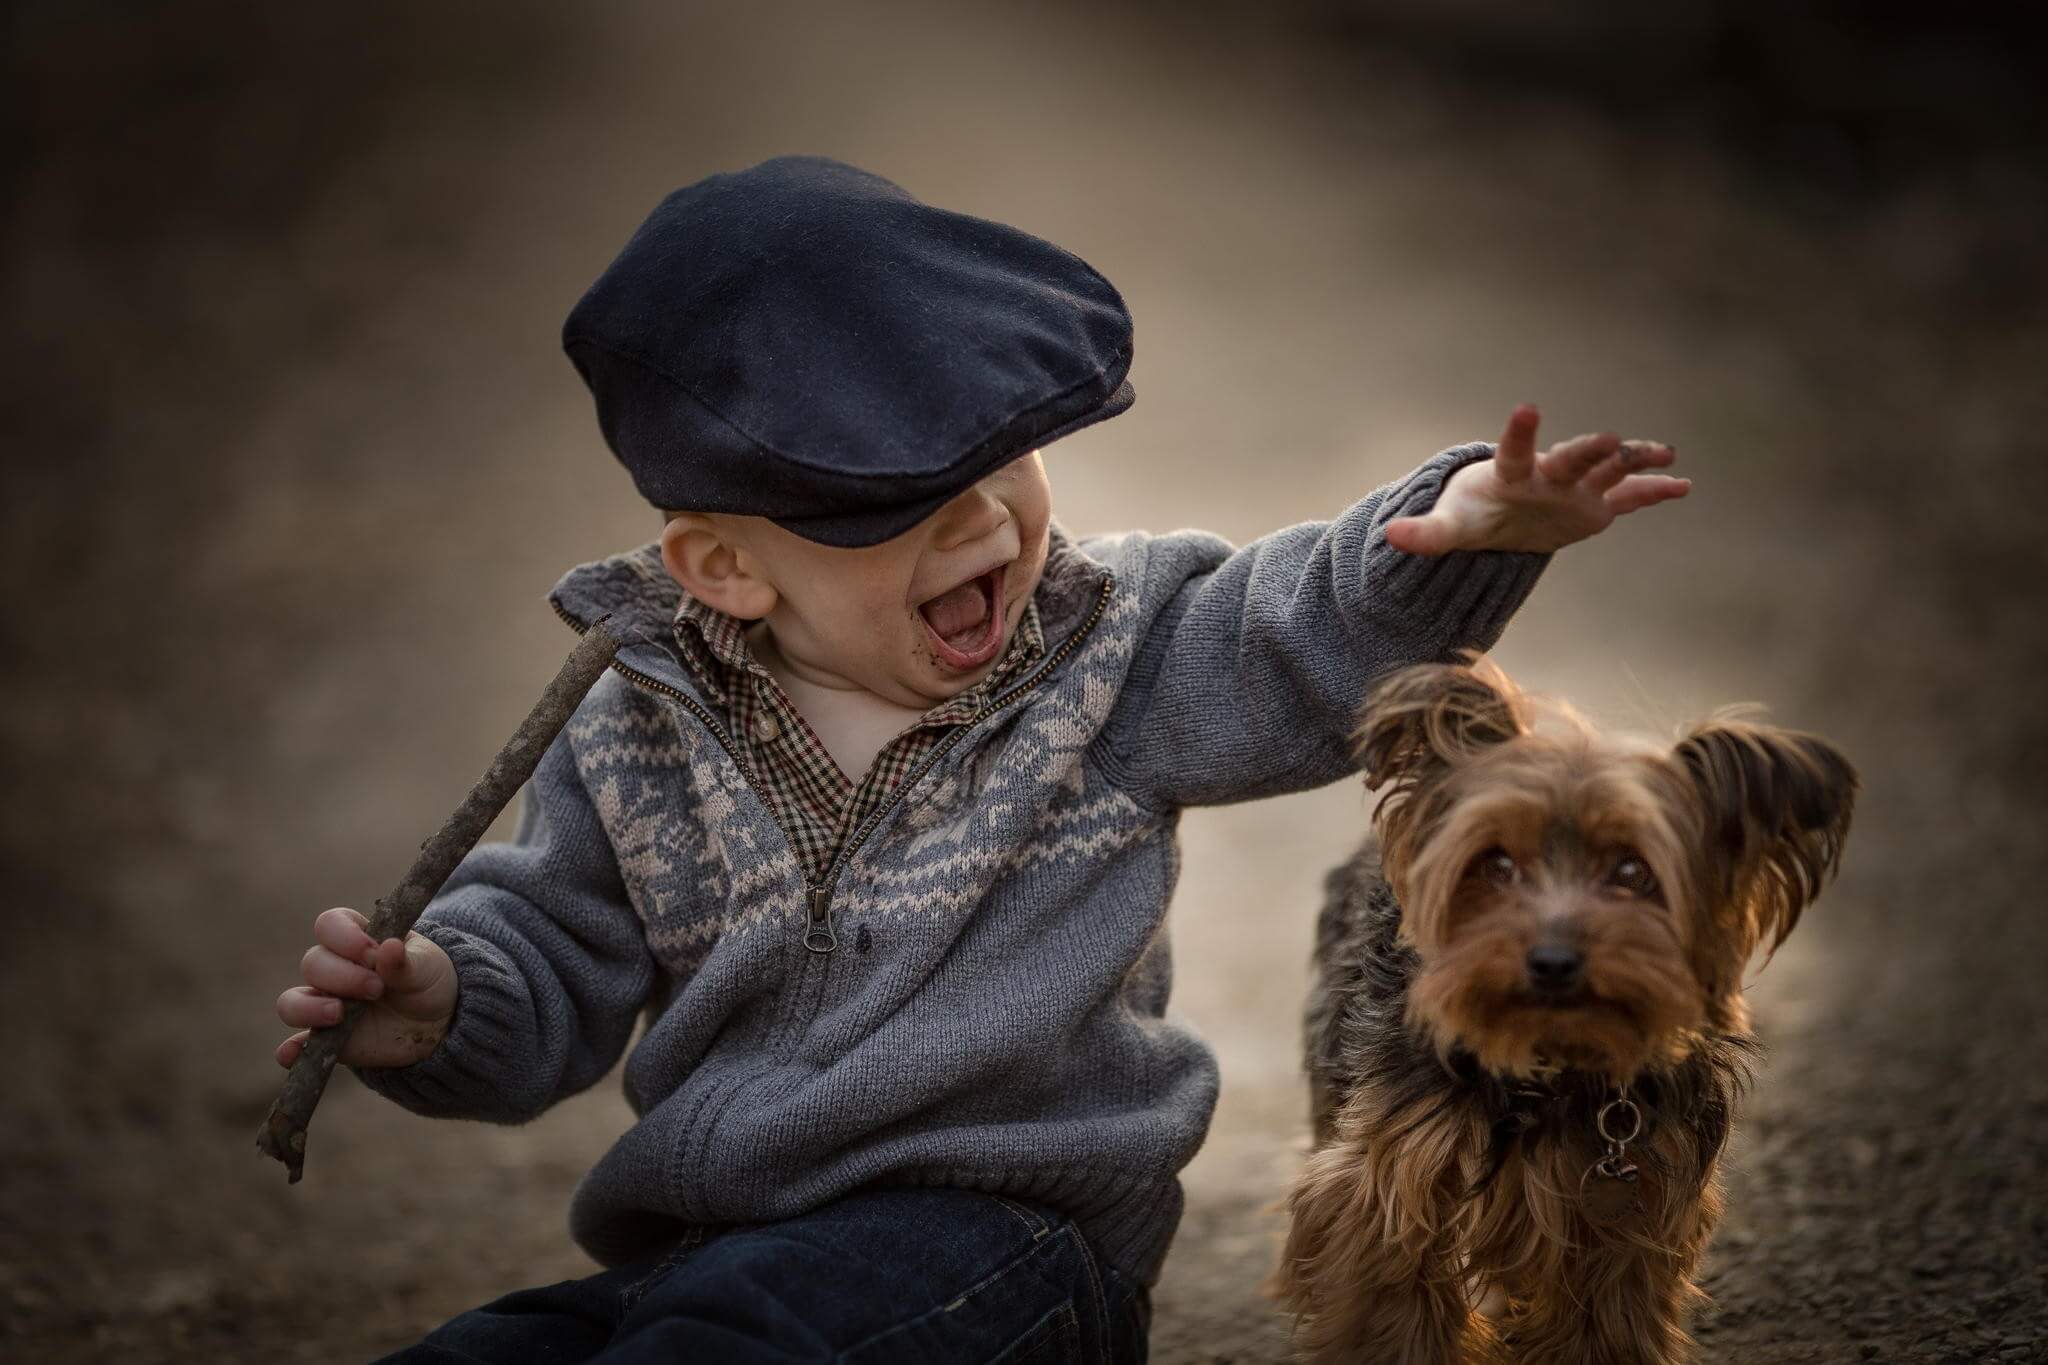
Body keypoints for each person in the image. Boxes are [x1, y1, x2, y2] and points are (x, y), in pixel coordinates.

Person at [270, 156, 1687, 1363]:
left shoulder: (1110, 658)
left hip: (1006, 1251)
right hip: (714, 1244)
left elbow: (1292, 631)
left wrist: (1460, 530)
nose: (984, 526)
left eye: (999, 458)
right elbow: (555, 950)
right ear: (723, 567)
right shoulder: (637, 723)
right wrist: (446, 1003)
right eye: (898, 502)